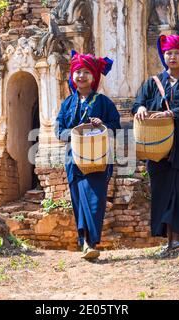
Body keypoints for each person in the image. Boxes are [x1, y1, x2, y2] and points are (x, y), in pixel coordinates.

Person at [132, 28, 179, 254]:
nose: (172, 57)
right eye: (168, 53)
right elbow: (138, 103)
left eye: (177, 53)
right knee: (162, 191)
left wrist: (171, 113)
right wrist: (142, 108)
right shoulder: (153, 82)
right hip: (157, 146)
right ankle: (167, 240)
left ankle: (176, 238)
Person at [55, 50, 121, 260]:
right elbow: (59, 129)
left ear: (94, 77)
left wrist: (102, 125)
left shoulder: (103, 102)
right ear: (72, 76)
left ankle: (91, 242)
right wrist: (73, 134)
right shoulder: (67, 103)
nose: (81, 76)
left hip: (98, 158)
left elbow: (115, 126)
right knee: (78, 199)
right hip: (74, 159)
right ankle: (84, 241)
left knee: (95, 199)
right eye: (77, 72)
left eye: (86, 72)